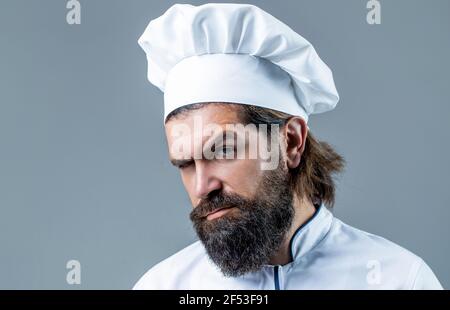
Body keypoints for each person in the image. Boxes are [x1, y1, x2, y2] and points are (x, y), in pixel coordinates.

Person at [133, 3, 442, 289]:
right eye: (185, 164)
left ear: (291, 141)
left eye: (223, 150)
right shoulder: (163, 285)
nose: (202, 186)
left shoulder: (400, 279)